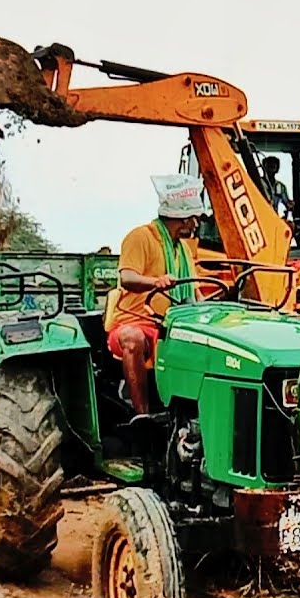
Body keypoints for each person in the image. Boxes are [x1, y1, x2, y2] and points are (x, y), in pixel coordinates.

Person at [105, 174, 206, 417]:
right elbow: (127, 278)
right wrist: (155, 282)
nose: (197, 224)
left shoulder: (182, 250)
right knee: (133, 338)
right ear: (183, 219)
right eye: (195, 219)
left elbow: (194, 294)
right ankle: (142, 415)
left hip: (171, 324)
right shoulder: (140, 237)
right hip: (135, 321)